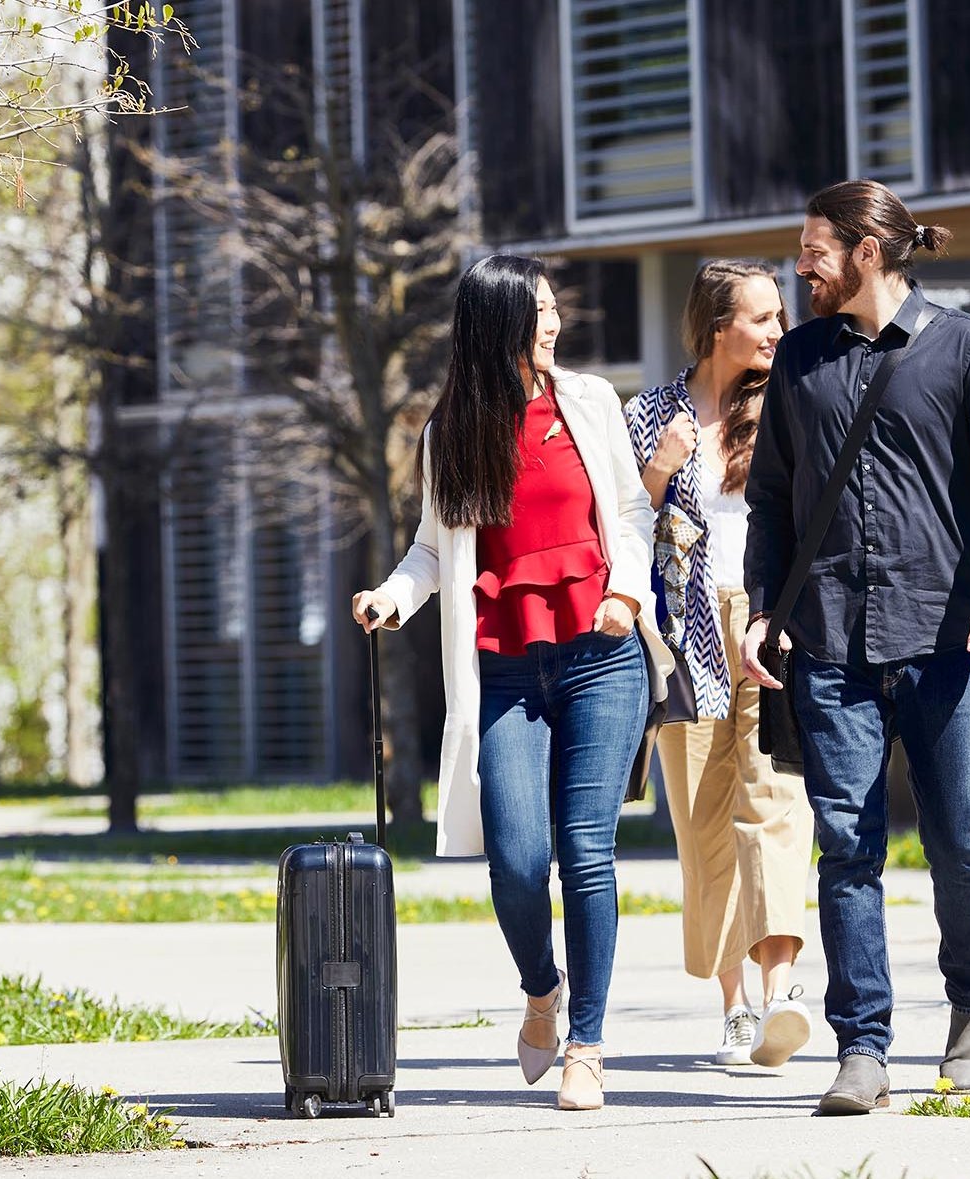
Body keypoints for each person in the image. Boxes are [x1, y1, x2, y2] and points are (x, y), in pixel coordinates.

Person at [740, 180, 970, 1114]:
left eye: (814, 249)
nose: (801, 265)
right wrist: (763, 609)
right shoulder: (797, 360)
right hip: (830, 639)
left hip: (945, 639)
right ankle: (862, 1045)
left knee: (958, 835)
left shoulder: (969, 348)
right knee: (847, 845)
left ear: (868, 250)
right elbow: (771, 503)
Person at [351, 254, 669, 1112]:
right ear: (495, 324)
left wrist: (625, 592)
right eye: (536, 310)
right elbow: (431, 547)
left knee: (586, 851)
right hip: (503, 669)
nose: (553, 321)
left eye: (554, 305)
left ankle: (588, 1044)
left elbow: (631, 517)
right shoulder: (448, 432)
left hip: (601, 655)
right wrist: (393, 596)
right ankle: (541, 987)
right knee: (519, 860)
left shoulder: (592, 402)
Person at [624, 261, 814, 1069]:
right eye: (763, 318)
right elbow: (622, 523)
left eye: (779, 316)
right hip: (684, 628)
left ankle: (781, 994)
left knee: (774, 799)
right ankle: (735, 1005)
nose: (778, 330)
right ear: (715, 328)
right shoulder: (647, 414)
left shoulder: (790, 401)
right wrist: (662, 466)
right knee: (704, 825)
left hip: (768, 617)